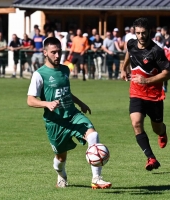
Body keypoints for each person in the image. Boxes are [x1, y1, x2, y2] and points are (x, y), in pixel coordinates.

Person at [27, 37, 112, 189]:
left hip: (73, 115)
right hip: (55, 122)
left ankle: (97, 178)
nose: (58, 55)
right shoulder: (39, 74)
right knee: (60, 157)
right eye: (53, 52)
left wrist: (80, 103)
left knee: (93, 135)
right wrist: (47, 103)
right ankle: (61, 175)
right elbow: (30, 100)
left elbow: (66, 92)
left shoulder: (65, 69)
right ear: (45, 52)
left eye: (59, 52)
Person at [121, 18, 170, 171]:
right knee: (136, 123)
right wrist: (124, 68)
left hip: (154, 96)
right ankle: (151, 158)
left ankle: (162, 132)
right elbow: (129, 54)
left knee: (157, 128)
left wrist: (147, 80)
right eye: (138, 33)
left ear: (149, 31)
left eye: (143, 33)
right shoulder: (130, 43)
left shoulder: (156, 51)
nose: (141, 36)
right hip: (136, 92)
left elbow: (167, 74)